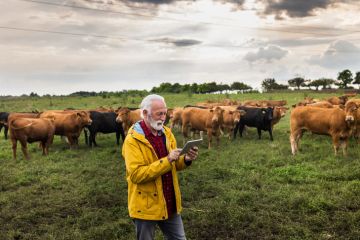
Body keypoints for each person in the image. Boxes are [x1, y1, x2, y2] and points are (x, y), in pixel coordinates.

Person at [122, 94, 198, 240]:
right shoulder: (133, 140)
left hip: (170, 201)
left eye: (165, 113)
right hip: (146, 206)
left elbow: (175, 165)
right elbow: (137, 175)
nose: (164, 118)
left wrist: (186, 159)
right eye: (159, 114)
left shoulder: (167, 133)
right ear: (144, 113)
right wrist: (168, 160)